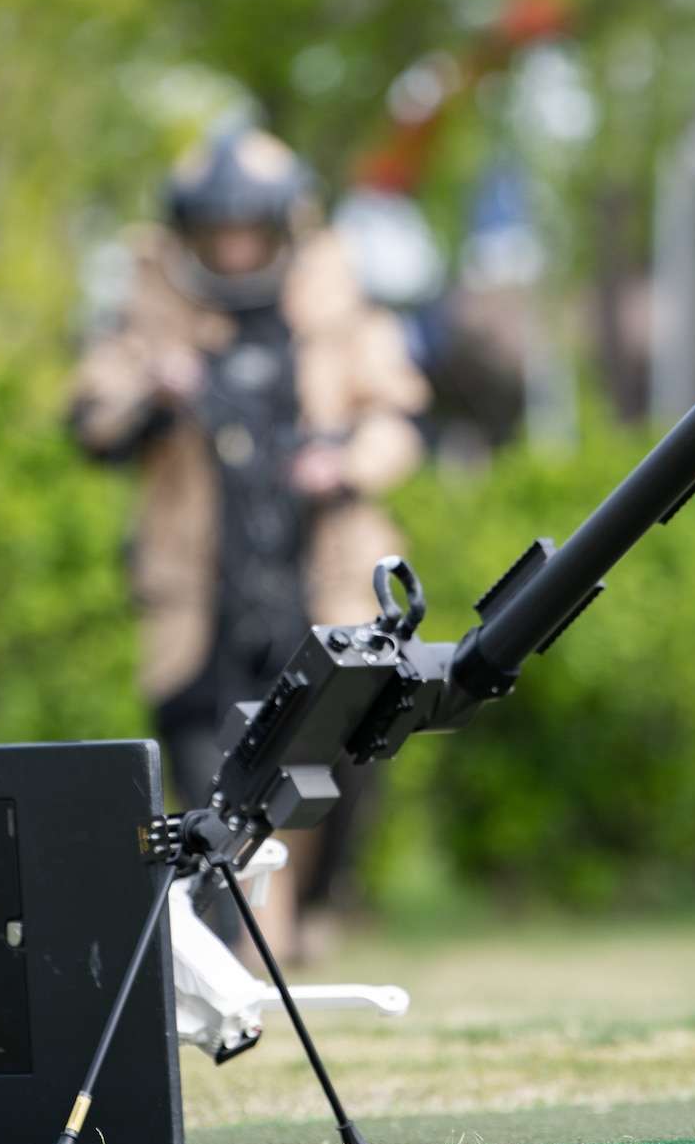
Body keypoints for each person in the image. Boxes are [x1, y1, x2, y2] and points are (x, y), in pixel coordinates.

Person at [69, 127, 430, 923]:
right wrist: (153, 394)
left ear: (281, 225)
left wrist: (341, 465)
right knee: (214, 795)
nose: (233, 248)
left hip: (324, 587)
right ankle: (236, 959)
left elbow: (402, 417)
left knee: (344, 767)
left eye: (249, 228)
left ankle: (311, 923)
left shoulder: (337, 304)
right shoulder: (148, 304)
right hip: (200, 604)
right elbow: (91, 420)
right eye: (216, 229)